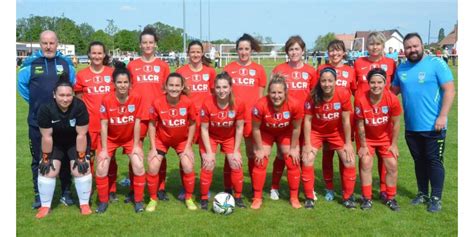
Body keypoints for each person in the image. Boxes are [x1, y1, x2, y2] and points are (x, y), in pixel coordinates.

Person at [391, 33, 455, 212]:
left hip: (434, 125)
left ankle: (435, 197)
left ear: (422, 46)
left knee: (434, 161)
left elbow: (449, 91)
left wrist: (442, 116)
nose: (412, 50)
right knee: (418, 161)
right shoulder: (401, 69)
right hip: (411, 126)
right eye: (408, 47)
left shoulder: (437, 64)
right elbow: (391, 93)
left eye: (415, 46)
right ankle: (422, 193)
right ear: (404, 50)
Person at [18, 30, 76, 209]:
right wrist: (39, 106)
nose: (48, 46)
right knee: (39, 159)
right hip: (37, 122)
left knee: (65, 157)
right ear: (40, 44)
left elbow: (71, 87)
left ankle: (66, 192)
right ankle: (39, 194)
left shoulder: (66, 64)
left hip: (62, 122)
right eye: (45, 43)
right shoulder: (30, 65)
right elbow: (22, 88)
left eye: (52, 43)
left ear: (57, 44)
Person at [35, 73, 92, 218]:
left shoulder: (79, 106)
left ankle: (84, 204)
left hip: (75, 141)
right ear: (54, 95)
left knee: (81, 169)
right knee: (47, 171)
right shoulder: (45, 109)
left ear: (73, 94)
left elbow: (81, 134)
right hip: (55, 143)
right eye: (61, 95)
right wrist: (46, 158)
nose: (65, 99)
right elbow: (46, 136)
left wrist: (80, 157)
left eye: (69, 95)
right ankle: (45, 206)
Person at [270, 35, 317, 201]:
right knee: (283, 154)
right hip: (285, 120)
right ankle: (274, 186)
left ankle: (307, 189)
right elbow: (272, 95)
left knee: (305, 154)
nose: (294, 52)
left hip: (306, 120)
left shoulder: (311, 71)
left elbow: (315, 96)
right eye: (291, 49)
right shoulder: (279, 70)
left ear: (303, 51)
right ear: (287, 52)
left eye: (297, 49)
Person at [302, 67, 357, 209]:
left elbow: (346, 120)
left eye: (330, 81)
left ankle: (347, 197)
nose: (327, 84)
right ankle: (309, 197)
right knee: (307, 158)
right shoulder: (313, 95)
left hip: (335, 132)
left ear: (335, 81)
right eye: (324, 81)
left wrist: (348, 143)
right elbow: (307, 120)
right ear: (319, 81)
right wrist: (307, 144)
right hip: (316, 132)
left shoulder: (343, 94)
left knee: (349, 160)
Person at [95, 62, 146, 213]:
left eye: (125, 82)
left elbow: (137, 122)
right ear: (114, 83)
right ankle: (103, 202)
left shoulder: (136, 97)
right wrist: (104, 149)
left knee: (138, 165)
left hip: (129, 138)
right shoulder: (107, 99)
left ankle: (138, 201)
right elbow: (103, 125)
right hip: (110, 138)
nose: (123, 85)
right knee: (101, 168)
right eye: (119, 82)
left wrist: (136, 145)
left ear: (130, 83)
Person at [127, 25, 171, 202]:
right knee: (134, 152)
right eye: (144, 42)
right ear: (140, 45)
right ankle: (133, 188)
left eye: (150, 42)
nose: (147, 45)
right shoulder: (132, 65)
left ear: (155, 45)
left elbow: (169, 91)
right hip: (137, 116)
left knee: (159, 152)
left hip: (158, 117)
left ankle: (160, 188)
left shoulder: (163, 66)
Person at [74, 41, 120, 202]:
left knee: (110, 157)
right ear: (89, 55)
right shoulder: (82, 75)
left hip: (110, 124)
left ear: (104, 55)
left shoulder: (112, 73)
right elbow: (79, 100)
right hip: (91, 124)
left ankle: (112, 189)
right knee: (90, 157)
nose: (97, 56)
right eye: (94, 53)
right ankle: (94, 186)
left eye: (100, 53)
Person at [354, 31, 397, 201]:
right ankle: (367, 195)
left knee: (384, 156)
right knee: (365, 156)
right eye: (371, 44)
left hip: (382, 117)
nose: (374, 47)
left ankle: (384, 189)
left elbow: (393, 88)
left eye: (378, 44)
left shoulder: (391, 63)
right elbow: (353, 87)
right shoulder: (358, 62)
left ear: (383, 46)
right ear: (367, 46)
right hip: (363, 114)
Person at [146, 72, 198, 211]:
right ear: (166, 87)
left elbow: (193, 123)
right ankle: (152, 199)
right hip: (162, 140)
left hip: (181, 140)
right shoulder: (157, 102)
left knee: (187, 165)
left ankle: (188, 198)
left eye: (177, 85)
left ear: (182, 87)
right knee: (153, 166)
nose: (174, 88)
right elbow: (152, 124)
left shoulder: (188, 102)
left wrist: (188, 146)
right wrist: (152, 147)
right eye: (171, 85)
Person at [250, 74, 304, 209]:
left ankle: (293, 197)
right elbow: (255, 129)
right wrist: (260, 149)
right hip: (265, 132)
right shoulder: (260, 105)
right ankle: (257, 197)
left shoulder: (294, 104)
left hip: (285, 132)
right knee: (260, 160)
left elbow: (297, 127)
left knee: (292, 159)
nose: (276, 96)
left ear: (285, 92)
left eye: (280, 92)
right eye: (273, 92)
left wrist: (293, 148)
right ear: (268, 92)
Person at [223, 33, 267, 193]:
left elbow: (261, 98)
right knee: (230, 152)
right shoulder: (228, 69)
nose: (243, 52)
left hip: (251, 118)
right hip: (231, 117)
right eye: (240, 49)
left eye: (246, 49)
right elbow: (223, 94)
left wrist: (259, 117)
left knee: (251, 151)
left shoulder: (259, 70)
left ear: (251, 50)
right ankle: (228, 187)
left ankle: (252, 184)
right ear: (236, 50)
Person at [355, 68, 402, 211]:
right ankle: (367, 198)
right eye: (373, 82)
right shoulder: (360, 99)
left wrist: (394, 144)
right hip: (367, 139)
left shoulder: (392, 99)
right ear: (368, 83)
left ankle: (391, 198)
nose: (376, 86)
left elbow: (396, 123)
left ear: (385, 83)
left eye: (379, 82)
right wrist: (363, 145)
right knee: (366, 162)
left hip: (385, 139)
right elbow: (360, 124)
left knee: (392, 165)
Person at [315, 39, 357, 201]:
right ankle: (329, 188)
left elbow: (356, 93)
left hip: (344, 121)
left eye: (338, 50)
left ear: (344, 53)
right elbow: (314, 94)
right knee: (327, 155)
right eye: (332, 50)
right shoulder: (320, 69)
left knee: (345, 154)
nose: (335, 53)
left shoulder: (350, 71)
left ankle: (346, 189)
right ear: (328, 52)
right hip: (325, 120)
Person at [175, 40, 216, 200]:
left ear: (202, 53)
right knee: (185, 153)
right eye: (192, 52)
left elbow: (214, 93)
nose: (195, 55)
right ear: (188, 53)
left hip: (205, 119)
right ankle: (185, 188)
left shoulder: (210, 72)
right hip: (187, 120)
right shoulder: (181, 71)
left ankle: (205, 186)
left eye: (198, 52)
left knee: (205, 152)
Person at [199, 72, 246, 210]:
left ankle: (237, 196)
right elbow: (204, 129)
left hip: (229, 137)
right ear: (214, 88)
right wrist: (209, 152)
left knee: (235, 163)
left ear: (231, 87)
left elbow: (239, 128)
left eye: (225, 87)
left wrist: (236, 150)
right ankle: (203, 198)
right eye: (218, 87)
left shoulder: (239, 103)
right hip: (211, 136)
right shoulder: (207, 103)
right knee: (209, 164)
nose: (221, 91)